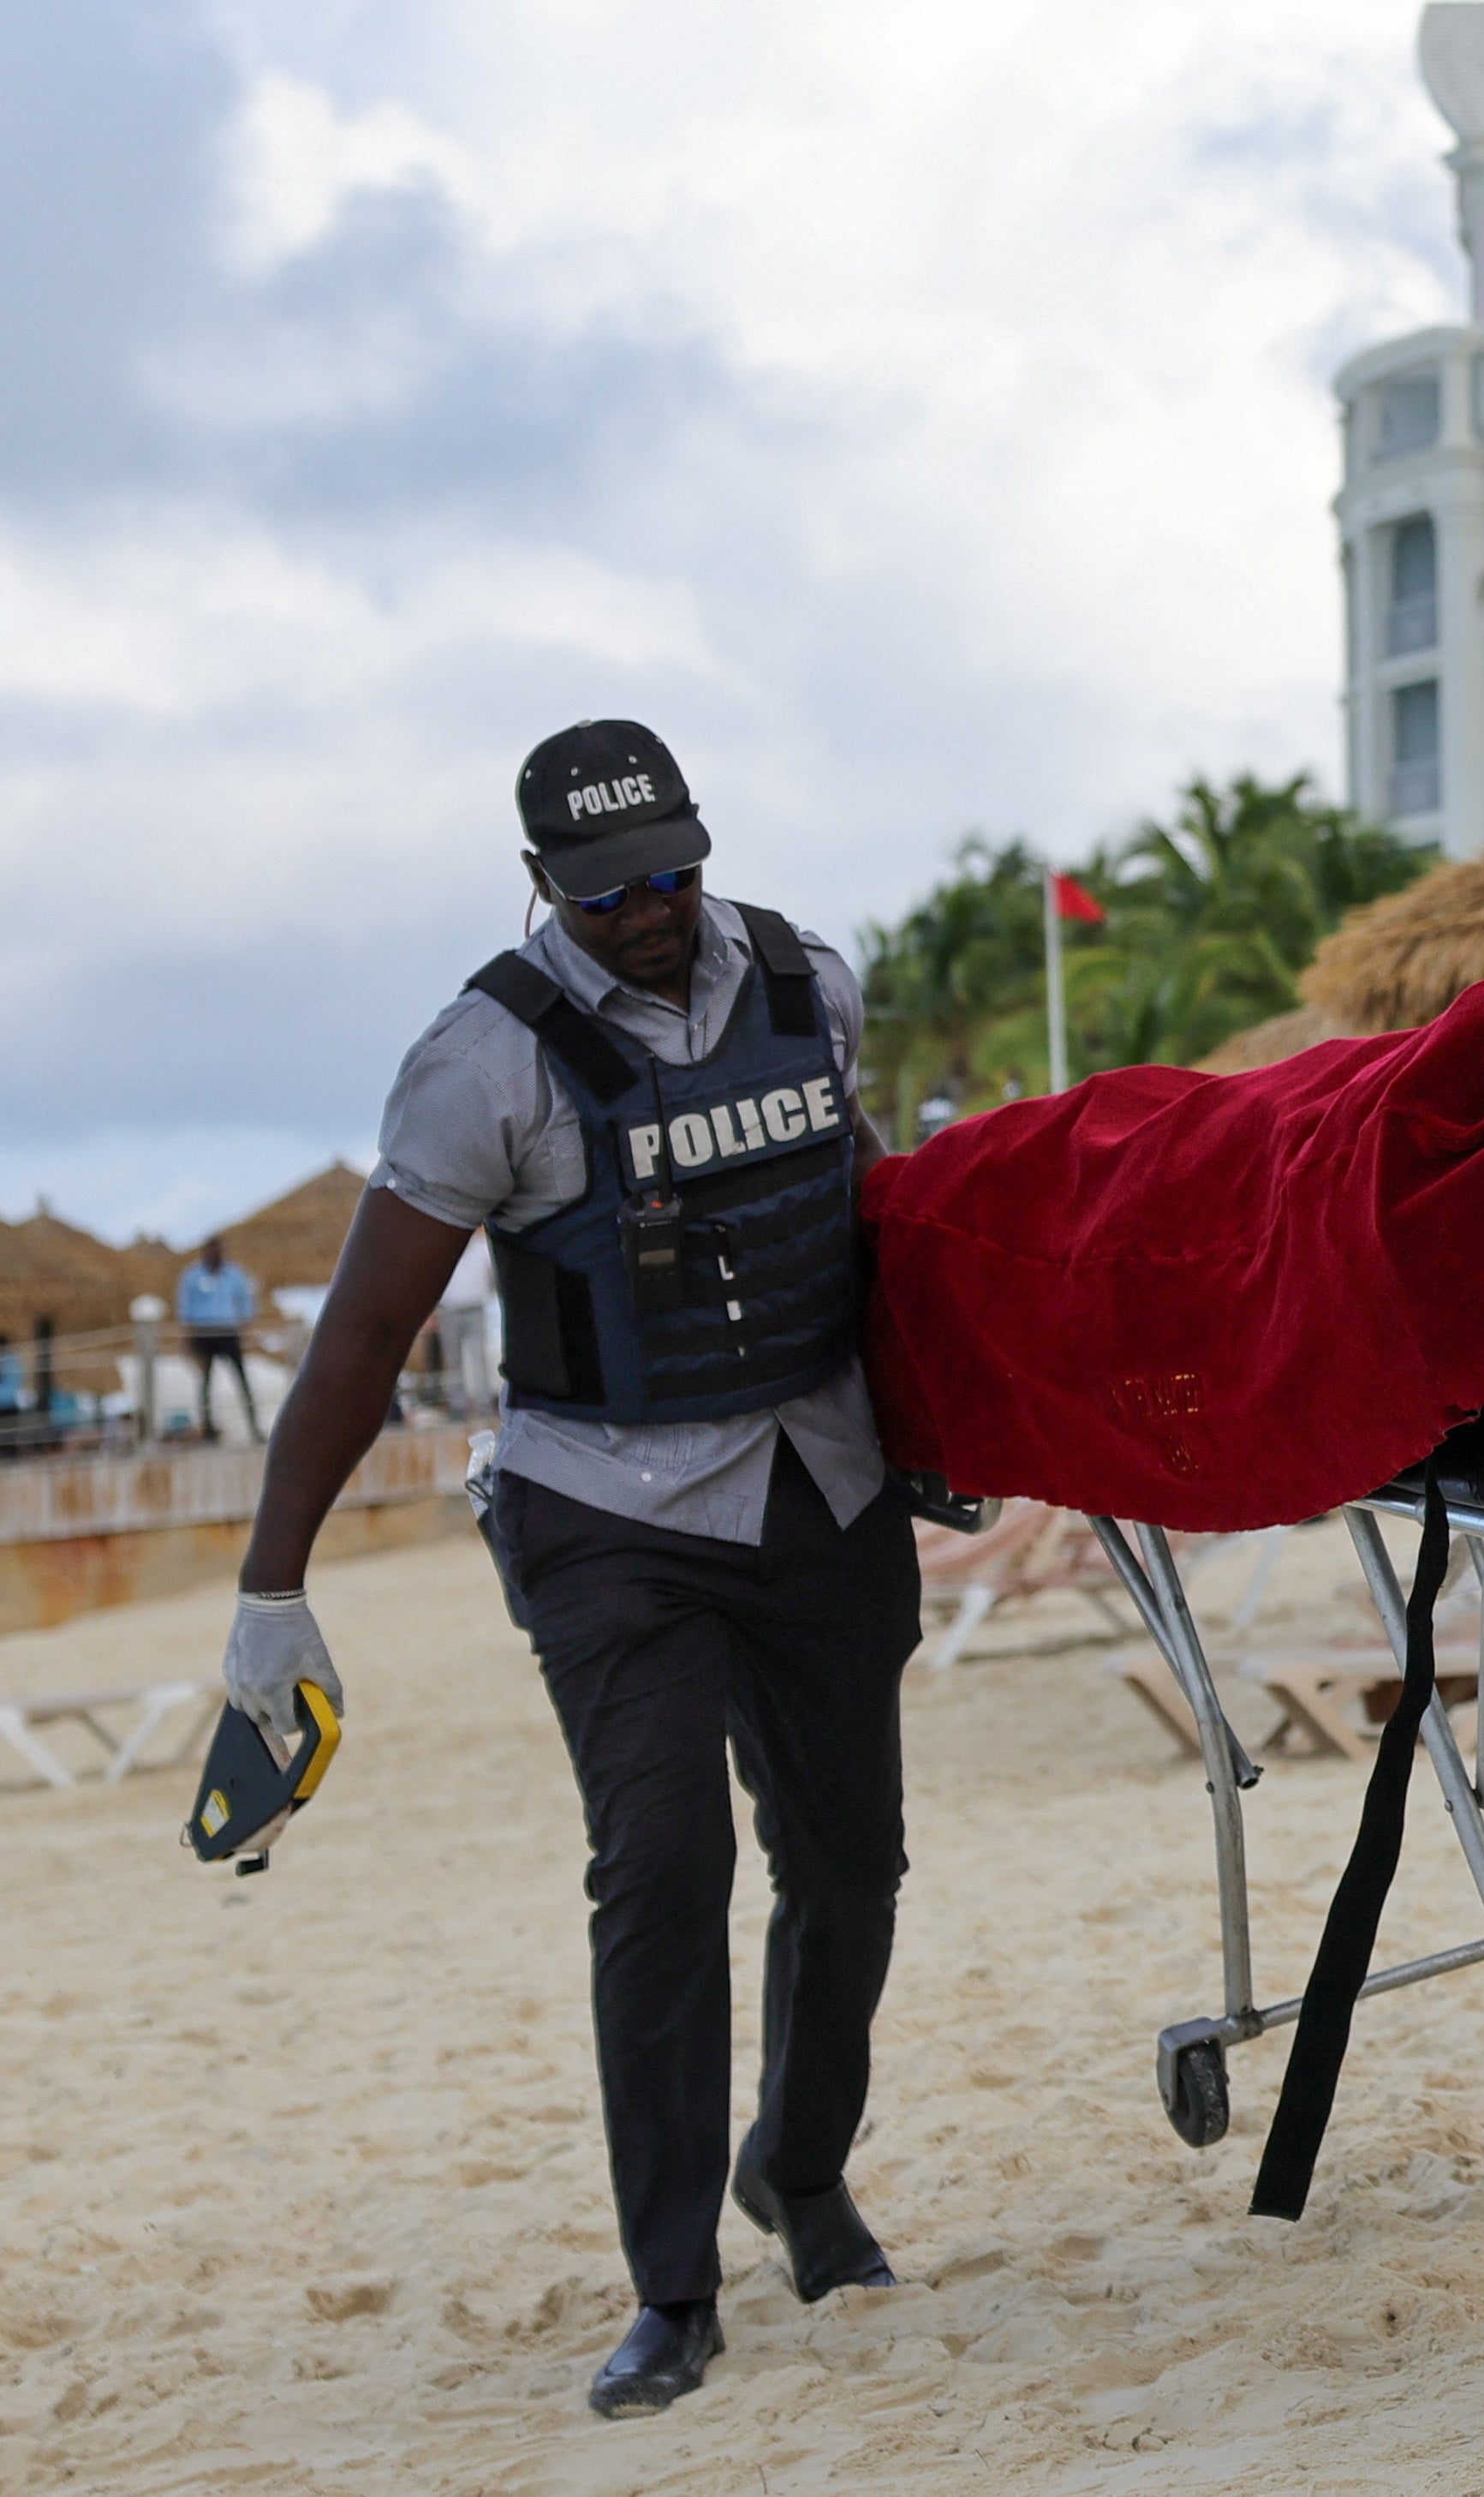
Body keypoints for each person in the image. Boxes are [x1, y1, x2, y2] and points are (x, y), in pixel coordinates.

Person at [217, 720, 921, 2417]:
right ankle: (671, 2288)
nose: (651, 912)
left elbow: (864, 1207)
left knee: (850, 1864)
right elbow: (364, 1335)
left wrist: (958, 1411)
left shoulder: (808, 981)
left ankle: (797, 2169)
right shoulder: (483, 1062)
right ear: (543, 884)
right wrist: (269, 1588)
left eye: (672, 873)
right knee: (663, 1867)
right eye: (608, 895)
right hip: (609, 1509)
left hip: (820, 1480)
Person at [176, 1235, 261, 1441]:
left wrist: (247, 1327)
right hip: (204, 1332)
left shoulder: (235, 1274)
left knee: (242, 1379)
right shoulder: (192, 1276)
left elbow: (245, 1300)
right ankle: (208, 1429)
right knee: (206, 1382)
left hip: (227, 1330)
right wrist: (187, 1338)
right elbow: (185, 1306)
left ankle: (254, 1427)